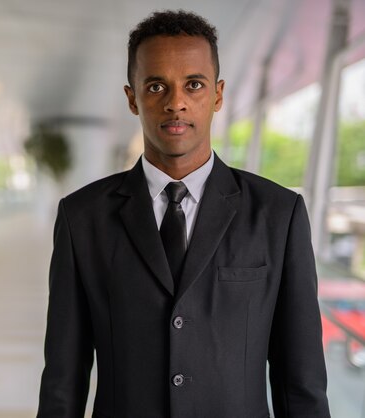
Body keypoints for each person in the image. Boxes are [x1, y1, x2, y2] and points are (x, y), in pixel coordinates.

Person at [37, 10, 330, 418]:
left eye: (194, 84)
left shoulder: (279, 215)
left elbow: (301, 383)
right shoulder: (82, 218)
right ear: (132, 98)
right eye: (156, 86)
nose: (176, 103)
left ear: (218, 94)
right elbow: (62, 384)